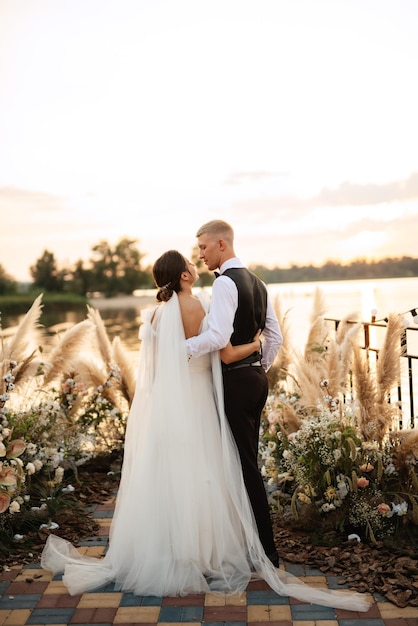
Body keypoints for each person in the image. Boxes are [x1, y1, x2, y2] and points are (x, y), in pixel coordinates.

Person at [40, 250, 370, 611]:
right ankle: (204, 552)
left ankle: (165, 548)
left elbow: (155, 368)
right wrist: (258, 345)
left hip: (167, 401)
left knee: (170, 470)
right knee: (205, 469)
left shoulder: (152, 314)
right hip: (198, 397)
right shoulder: (196, 306)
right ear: (182, 276)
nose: (196, 266)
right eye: (190, 264)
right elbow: (221, 352)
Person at [185, 220, 282, 566]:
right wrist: (259, 366)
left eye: (203, 248)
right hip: (255, 380)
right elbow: (276, 337)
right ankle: (253, 543)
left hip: (236, 382)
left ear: (222, 244)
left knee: (245, 466)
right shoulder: (258, 282)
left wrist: (179, 349)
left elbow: (217, 337)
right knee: (247, 462)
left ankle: (266, 551)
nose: (200, 255)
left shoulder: (226, 283)